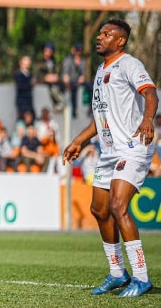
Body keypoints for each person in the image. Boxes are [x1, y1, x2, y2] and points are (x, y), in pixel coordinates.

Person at [62, 19, 158, 298]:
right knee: (99, 210)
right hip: (109, 150)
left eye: (107, 34)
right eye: (100, 33)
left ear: (121, 41)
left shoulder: (129, 64)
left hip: (132, 146)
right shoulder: (100, 71)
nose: (100, 37)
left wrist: (148, 119)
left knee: (118, 206)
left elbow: (150, 94)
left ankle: (141, 277)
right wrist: (78, 141)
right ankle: (118, 273)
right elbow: (100, 117)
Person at [34, 43, 64, 112]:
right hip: (42, 88)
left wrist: (57, 77)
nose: (47, 53)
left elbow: (59, 73)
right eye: (46, 51)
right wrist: (45, 77)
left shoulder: (56, 63)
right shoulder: (39, 62)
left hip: (54, 85)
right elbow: (36, 74)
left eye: (49, 51)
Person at [62, 42, 89, 118]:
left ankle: (90, 110)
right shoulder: (68, 60)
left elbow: (83, 73)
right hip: (70, 81)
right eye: (76, 50)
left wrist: (82, 77)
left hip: (78, 82)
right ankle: (73, 110)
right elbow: (66, 73)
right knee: (73, 89)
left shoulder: (83, 61)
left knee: (90, 86)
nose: (78, 52)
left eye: (79, 50)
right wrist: (66, 80)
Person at [14, 55, 35, 120]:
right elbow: (20, 85)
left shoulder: (30, 74)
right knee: (22, 117)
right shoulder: (18, 73)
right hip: (22, 101)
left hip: (29, 100)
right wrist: (30, 84)